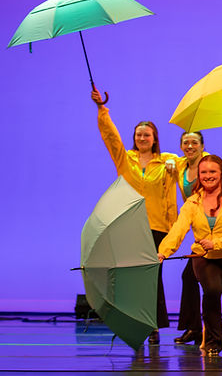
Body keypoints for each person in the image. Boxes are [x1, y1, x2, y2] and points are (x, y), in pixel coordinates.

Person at [91, 88, 176, 344]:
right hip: (128, 226)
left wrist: (173, 226)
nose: (142, 138)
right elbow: (111, 137)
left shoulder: (167, 161)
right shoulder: (124, 160)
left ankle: (153, 326)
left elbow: (196, 165)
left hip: (156, 226)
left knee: (151, 279)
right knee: (130, 278)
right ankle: (133, 322)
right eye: (138, 134)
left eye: (146, 134)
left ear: (154, 138)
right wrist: (101, 110)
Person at [158, 155, 222, 356]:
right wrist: (162, 252)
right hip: (206, 258)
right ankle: (213, 341)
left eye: (212, 172)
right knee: (212, 290)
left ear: (221, 174)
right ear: (198, 176)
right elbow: (178, 229)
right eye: (203, 172)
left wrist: (216, 243)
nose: (208, 176)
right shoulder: (193, 203)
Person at [169, 131, 208, 345]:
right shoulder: (181, 165)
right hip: (197, 230)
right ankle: (194, 327)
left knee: (196, 278)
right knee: (191, 278)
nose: (190, 146)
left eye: (194, 142)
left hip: (213, 229)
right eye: (186, 142)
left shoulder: (209, 164)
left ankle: (200, 328)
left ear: (202, 145)